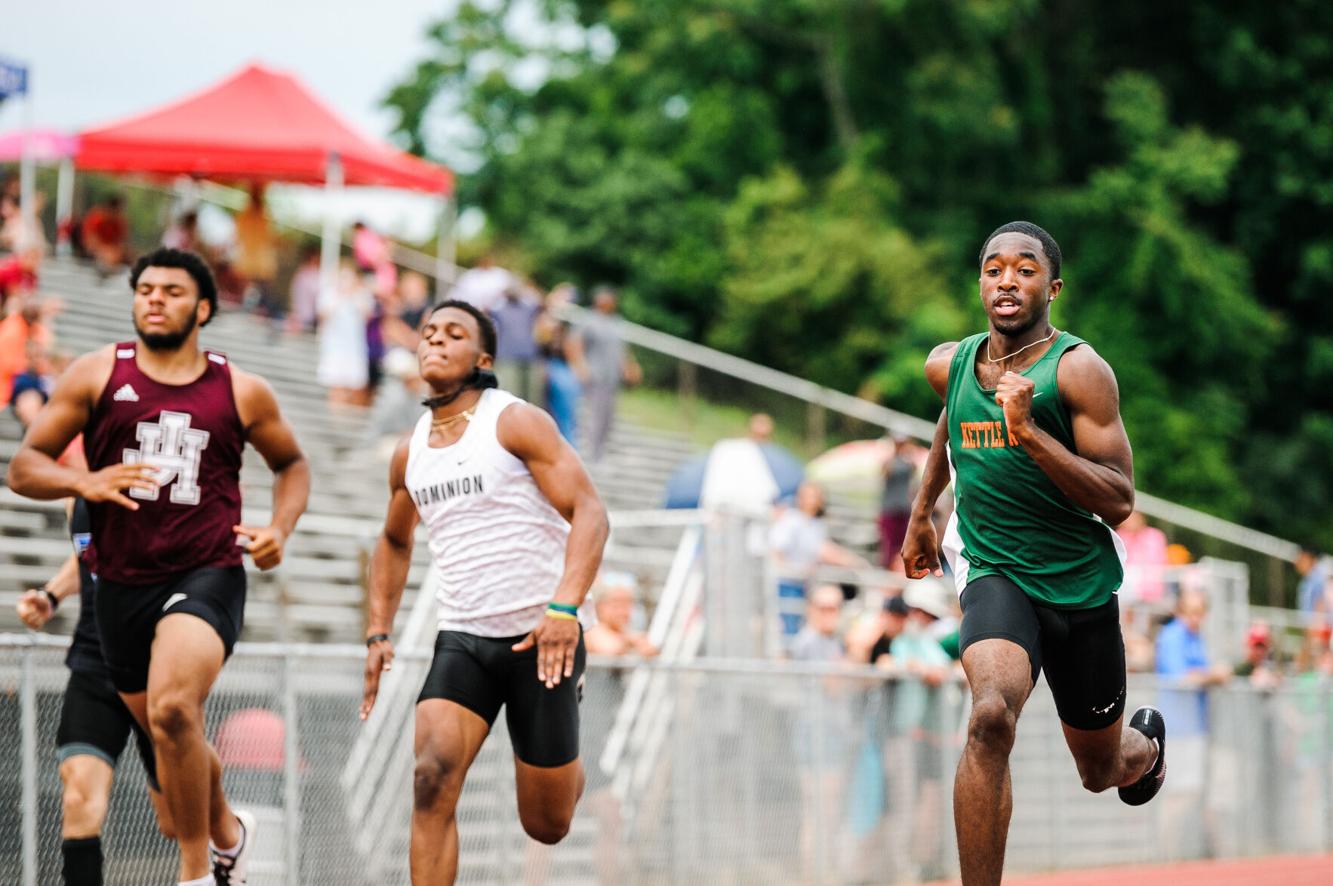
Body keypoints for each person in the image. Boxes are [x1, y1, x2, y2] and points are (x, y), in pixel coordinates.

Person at [7, 246, 312, 886]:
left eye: (171, 291)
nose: (154, 299)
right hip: (120, 586)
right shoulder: (96, 374)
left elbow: (291, 463)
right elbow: (25, 468)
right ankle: (231, 836)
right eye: (145, 289)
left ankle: (196, 874)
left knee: (175, 709)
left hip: (207, 570)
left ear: (202, 309)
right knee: (171, 730)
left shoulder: (240, 389)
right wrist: (85, 481)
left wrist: (279, 530)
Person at [901, 221, 1164, 886]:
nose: (1007, 281)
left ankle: (1145, 750)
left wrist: (1030, 435)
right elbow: (951, 418)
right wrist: (922, 512)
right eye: (994, 269)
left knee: (1100, 770)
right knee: (990, 716)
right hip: (996, 571)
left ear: (1053, 287)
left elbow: (1118, 499)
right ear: (980, 283)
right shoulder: (949, 363)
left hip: (1078, 586)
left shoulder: (1078, 371)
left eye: (1024, 270)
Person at [358, 299, 609, 885]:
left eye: (454, 333)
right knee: (430, 778)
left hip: (542, 637)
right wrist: (378, 631)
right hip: (464, 636)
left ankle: (566, 743)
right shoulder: (410, 451)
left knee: (547, 824)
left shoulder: (514, 421)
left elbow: (590, 512)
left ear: (484, 359)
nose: (435, 340)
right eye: (428, 332)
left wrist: (564, 609)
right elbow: (393, 541)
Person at [16, 496, 174, 886]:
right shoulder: (76, 497)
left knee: (175, 821)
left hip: (156, 671)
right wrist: (51, 594)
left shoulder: (150, 482)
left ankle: (229, 836)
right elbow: (86, 554)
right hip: (94, 662)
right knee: (78, 797)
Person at [580, 287, 641, 462]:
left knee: (608, 417)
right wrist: (581, 367)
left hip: (612, 377)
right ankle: (589, 453)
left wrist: (629, 367)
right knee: (594, 415)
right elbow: (574, 343)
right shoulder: (589, 320)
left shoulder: (617, 322)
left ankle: (599, 454)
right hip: (595, 375)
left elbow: (622, 350)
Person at [584, 572, 658, 658]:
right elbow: (609, 648)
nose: (622, 611)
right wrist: (632, 641)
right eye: (616, 604)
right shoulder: (590, 628)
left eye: (628, 604)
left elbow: (650, 649)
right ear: (599, 605)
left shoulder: (625, 631)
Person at [878, 436, 920, 568]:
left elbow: (914, 469)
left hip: (903, 509)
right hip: (890, 510)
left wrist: (907, 452)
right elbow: (885, 472)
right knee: (889, 548)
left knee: (904, 545)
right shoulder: (890, 461)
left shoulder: (907, 461)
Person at [80, 195, 129, 277]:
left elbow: (121, 242)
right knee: (110, 255)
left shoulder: (119, 221)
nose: (119, 213)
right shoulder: (97, 218)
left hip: (111, 253)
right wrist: (104, 251)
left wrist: (118, 251)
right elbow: (91, 241)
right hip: (96, 251)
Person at [1295, 545, 1329, 621]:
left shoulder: (1319, 580)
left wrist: (1315, 625)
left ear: (1312, 560)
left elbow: (1321, 607)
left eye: (1302, 559)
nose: (1297, 562)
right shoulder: (1308, 581)